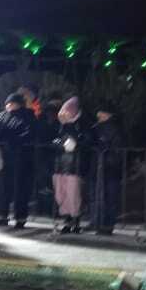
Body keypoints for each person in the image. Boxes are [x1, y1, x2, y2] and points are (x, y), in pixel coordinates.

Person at [0, 93, 36, 229]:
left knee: (20, 188)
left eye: (12, 103)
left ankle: (20, 218)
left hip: (22, 157)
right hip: (4, 156)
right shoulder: (1, 116)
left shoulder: (28, 116)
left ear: (19, 104)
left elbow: (29, 134)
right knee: (2, 187)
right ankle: (1, 215)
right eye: (8, 103)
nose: (9, 106)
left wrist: (12, 139)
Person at [52, 97, 93, 234]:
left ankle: (74, 221)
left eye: (67, 112)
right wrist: (58, 143)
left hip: (75, 165)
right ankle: (66, 219)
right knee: (61, 194)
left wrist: (74, 141)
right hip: (60, 165)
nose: (64, 115)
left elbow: (85, 141)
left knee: (73, 194)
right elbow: (55, 138)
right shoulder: (61, 124)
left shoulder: (81, 124)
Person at [90, 101, 124, 235]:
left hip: (108, 167)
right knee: (103, 197)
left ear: (107, 114)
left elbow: (116, 150)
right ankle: (102, 224)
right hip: (104, 167)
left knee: (108, 198)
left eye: (101, 112)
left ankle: (105, 225)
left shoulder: (111, 129)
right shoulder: (98, 128)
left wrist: (107, 157)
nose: (98, 114)